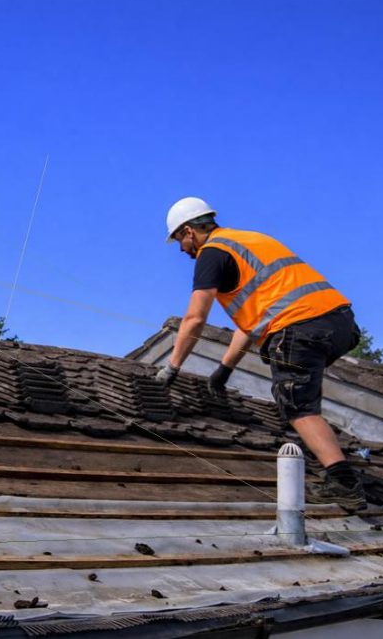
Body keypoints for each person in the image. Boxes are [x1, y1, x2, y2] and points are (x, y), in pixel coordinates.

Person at [155, 197, 366, 511]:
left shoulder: (212, 253)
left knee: (295, 402)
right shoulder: (249, 240)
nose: (182, 250)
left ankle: (342, 481)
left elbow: (195, 318)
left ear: (189, 231)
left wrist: (171, 367)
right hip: (339, 324)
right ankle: (328, 448)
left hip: (299, 326)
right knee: (302, 387)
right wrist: (224, 369)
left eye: (179, 241)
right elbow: (254, 321)